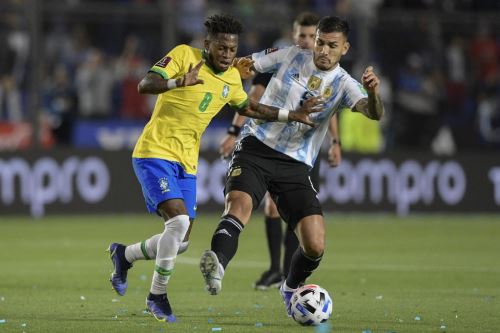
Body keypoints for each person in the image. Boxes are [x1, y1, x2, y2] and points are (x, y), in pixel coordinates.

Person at [106, 14, 322, 323]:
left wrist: (292, 114)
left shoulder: (232, 78)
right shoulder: (184, 55)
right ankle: (157, 295)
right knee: (178, 222)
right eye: (221, 48)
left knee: (179, 242)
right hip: (154, 151)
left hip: (186, 162)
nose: (226, 55)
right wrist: (177, 82)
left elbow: (249, 108)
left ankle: (124, 255)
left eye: (232, 50)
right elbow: (145, 84)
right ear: (208, 44)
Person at [199, 16, 384, 317]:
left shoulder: (345, 84)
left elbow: (373, 113)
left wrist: (373, 93)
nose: (322, 49)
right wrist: (233, 75)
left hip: (296, 164)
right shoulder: (291, 54)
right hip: (256, 147)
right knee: (238, 207)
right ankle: (216, 266)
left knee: (315, 244)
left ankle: (289, 287)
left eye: (331, 45)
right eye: (320, 42)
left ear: (345, 48)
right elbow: (246, 66)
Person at [219, 12, 342, 291]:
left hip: (304, 152)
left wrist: (335, 141)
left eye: (314, 37)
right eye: (303, 35)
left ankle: (286, 271)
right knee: (273, 206)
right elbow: (253, 99)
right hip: (269, 144)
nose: (309, 42)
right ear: (294, 34)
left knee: (297, 214)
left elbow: (330, 109)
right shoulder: (284, 59)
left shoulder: (328, 71)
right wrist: (234, 131)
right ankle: (277, 268)